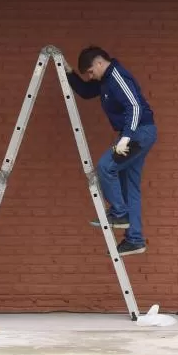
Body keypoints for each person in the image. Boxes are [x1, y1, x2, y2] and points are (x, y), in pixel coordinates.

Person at [64, 46, 158, 256]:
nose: (90, 76)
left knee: (106, 167)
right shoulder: (104, 81)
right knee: (129, 186)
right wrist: (69, 73)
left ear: (99, 63)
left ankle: (119, 214)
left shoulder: (116, 76)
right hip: (137, 133)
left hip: (138, 133)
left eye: (89, 72)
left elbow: (134, 107)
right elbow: (87, 92)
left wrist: (126, 137)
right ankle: (134, 240)